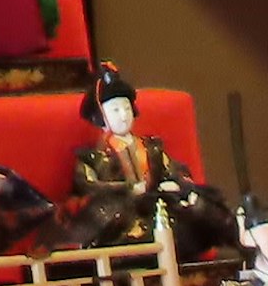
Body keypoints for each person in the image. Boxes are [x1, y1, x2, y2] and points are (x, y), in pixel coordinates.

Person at [62, 63, 220, 257]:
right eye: (115, 110)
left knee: (193, 212)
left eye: (127, 108)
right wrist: (127, 189)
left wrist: (178, 184)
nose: (123, 116)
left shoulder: (150, 147)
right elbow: (87, 186)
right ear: (101, 116)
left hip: (153, 205)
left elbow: (173, 170)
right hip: (116, 213)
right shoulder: (92, 156)